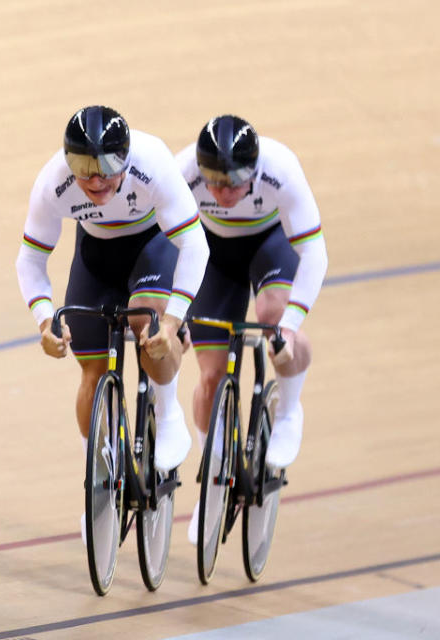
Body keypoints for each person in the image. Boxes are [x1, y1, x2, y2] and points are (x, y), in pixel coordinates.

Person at [15, 106, 209, 509]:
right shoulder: (55, 181)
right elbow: (30, 259)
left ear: (127, 158)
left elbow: (195, 244)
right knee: (91, 369)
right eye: (84, 167)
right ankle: (98, 482)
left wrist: (173, 319)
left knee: (148, 324)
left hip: (150, 246)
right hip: (96, 256)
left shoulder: (152, 161)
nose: (96, 178)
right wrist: (45, 319)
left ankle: (168, 412)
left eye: (107, 166)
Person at [176, 114, 328, 543]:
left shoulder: (281, 169)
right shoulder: (182, 170)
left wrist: (291, 326)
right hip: (212, 253)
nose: (223, 192)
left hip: (269, 244)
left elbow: (315, 254)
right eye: (215, 182)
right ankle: (213, 476)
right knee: (210, 376)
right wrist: (177, 313)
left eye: (235, 182)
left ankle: (289, 409)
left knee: (273, 313)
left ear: (255, 169)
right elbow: (161, 244)